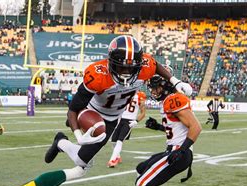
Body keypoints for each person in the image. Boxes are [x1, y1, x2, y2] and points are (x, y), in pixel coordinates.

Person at [45, 35, 193, 173]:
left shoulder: (145, 67)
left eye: (131, 67)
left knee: (81, 160)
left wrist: (175, 81)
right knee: (80, 130)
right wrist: (78, 136)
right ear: (110, 62)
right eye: (121, 67)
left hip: (112, 118)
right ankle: (75, 127)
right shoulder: (97, 75)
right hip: (91, 110)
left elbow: (156, 66)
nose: (126, 72)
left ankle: (60, 142)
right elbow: (72, 109)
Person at [133, 75, 202, 186]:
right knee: (141, 169)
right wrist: (158, 127)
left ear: (164, 87)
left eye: (155, 87)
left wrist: (182, 150)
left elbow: (196, 127)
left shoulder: (174, 99)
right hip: (174, 150)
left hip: (178, 152)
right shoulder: (168, 101)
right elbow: (177, 129)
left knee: (142, 183)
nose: (153, 91)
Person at [107, 90, 147, 167]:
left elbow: (143, 113)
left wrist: (136, 121)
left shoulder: (140, 95)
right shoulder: (124, 92)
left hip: (129, 121)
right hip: (120, 119)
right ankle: (117, 157)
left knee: (120, 140)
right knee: (113, 141)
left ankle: (113, 160)